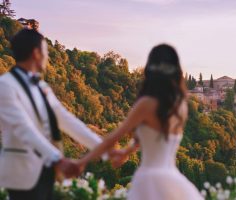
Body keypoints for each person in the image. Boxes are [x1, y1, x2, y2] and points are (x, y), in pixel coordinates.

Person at [77, 44, 204, 200]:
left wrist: (81, 162)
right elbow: (154, 137)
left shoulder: (146, 104)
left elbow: (113, 138)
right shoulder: (180, 105)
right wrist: (127, 151)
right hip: (173, 180)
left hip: (149, 180)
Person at [0, 29, 107, 200]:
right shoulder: (5, 85)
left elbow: (67, 120)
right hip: (22, 173)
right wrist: (59, 160)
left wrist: (103, 147)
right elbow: (23, 128)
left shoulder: (42, 87)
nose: (47, 57)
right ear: (36, 53)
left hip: (47, 171)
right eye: (45, 51)